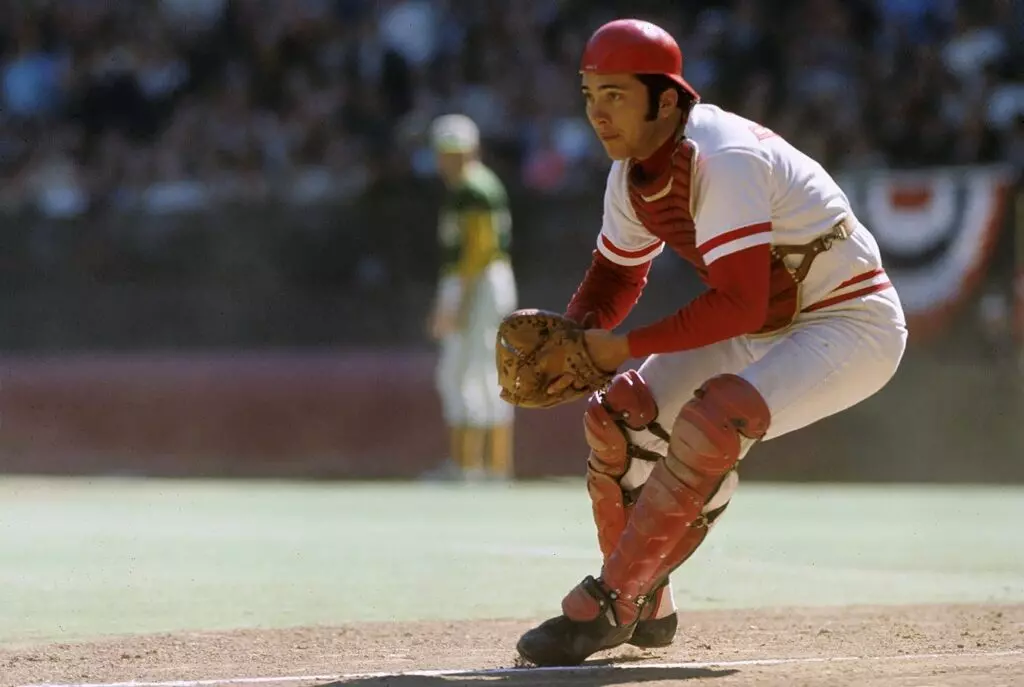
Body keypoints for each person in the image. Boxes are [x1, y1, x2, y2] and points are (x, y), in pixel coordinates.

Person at [515, 18, 908, 666]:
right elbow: (617, 273)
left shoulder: (721, 157)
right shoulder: (633, 171)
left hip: (851, 322)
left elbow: (739, 302)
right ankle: (649, 606)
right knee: (617, 415)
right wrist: (575, 333)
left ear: (666, 99)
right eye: (589, 95)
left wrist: (620, 345)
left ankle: (612, 600)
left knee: (716, 417)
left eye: (614, 94)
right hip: (767, 327)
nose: (597, 112)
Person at [424, 113, 518, 481]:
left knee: (466, 370)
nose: (448, 161)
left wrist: (455, 304)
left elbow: (477, 250)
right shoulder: (476, 185)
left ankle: (472, 466)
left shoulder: (472, 189)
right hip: (482, 280)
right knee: (478, 370)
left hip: (477, 282)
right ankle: (487, 466)